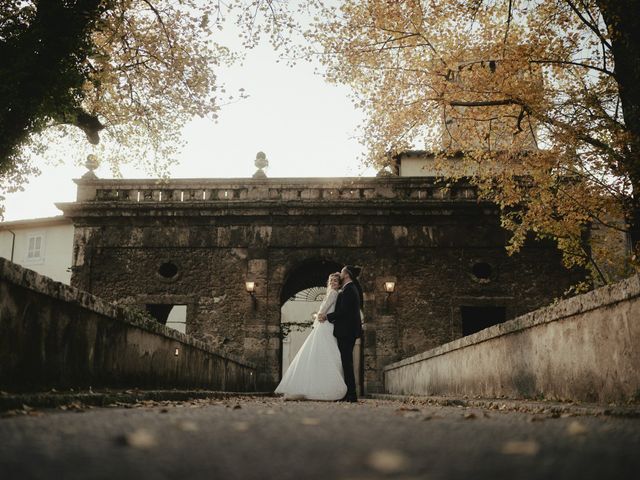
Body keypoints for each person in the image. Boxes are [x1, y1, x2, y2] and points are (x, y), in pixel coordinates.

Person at [274, 273, 348, 401]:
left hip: (325, 326)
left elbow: (324, 310)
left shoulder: (333, 293)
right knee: (322, 353)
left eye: (336, 281)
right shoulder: (334, 293)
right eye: (331, 281)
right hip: (325, 326)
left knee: (319, 353)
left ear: (339, 283)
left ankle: (310, 386)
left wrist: (321, 314)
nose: (333, 283)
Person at [318, 265, 362, 402]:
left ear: (347, 274)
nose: (340, 273)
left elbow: (344, 312)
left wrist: (327, 317)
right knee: (346, 363)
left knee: (347, 363)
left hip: (346, 332)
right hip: (347, 331)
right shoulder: (349, 288)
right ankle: (349, 394)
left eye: (342, 271)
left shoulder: (349, 290)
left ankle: (351, 395)